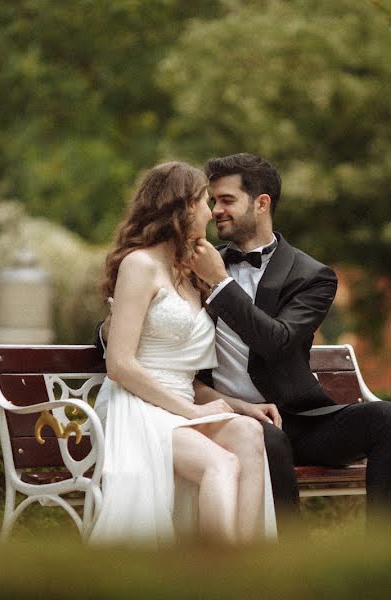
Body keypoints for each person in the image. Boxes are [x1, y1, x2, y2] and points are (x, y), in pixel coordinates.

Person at [188, 153, 391, 535]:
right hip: (223, 415)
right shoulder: (198, 264)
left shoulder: (313, 277)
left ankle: (382, 555)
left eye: (226, 200)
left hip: (299, 420)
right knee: (268, 439)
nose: (215, 210)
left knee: (390, 420)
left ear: (262, 203)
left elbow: (278, 343)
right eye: (213, 201)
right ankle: (295, 566)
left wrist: (222, 285)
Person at [90, 161, 276, 546]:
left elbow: (186, 378)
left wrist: (238, 405)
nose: (212, 211)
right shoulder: (138, 265)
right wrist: (190, 411)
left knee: (247, 433)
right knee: (220, 462)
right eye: (204, 202)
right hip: (136, 406)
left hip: (177, 404)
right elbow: (119, 364)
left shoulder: (191, 272)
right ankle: (215, 572)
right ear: (182, 207)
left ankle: (247, 572)